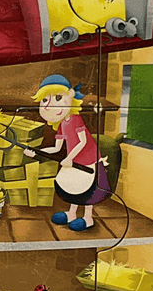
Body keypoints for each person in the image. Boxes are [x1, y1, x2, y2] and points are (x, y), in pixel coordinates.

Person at [25, 74, 112, 231]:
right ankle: (72, 213)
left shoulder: (75, 119)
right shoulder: (62, 124)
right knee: (72, 186)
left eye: (58, 98)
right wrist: (36, 152)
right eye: (45, 100)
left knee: (88, 190)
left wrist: (69, 158)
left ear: (71, 97)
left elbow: (82, 141)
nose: (49, 106)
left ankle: (88, 218)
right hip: (74, 161)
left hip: (89, 160)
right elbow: (56, 148)